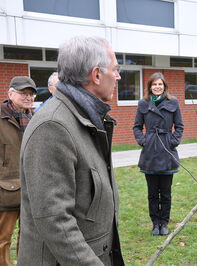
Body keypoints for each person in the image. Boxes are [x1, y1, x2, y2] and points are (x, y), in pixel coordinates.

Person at [18, 36, 125, 265]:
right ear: (96, 75)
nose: (118, 76)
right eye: (115, 69)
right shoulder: (53, 126)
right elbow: (55, 221)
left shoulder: (86, 117)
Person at [133, 72, 184, 236]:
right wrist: (143, 141)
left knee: (166, 193)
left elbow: (180, 126)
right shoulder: (143, 103)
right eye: (154, 84)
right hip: (150, 153)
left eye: (160, 84)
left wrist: (172, 141)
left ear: (164, 86)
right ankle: (155, 223)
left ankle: (164, 223)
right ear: (150, 87)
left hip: (167, 151)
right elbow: (136, 126)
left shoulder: (173, 102)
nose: (157, 87)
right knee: (153, 193)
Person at [0, 76, 36, 266]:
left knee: (29, 236)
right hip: (6, 187)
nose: (28, 97)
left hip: (32, 186)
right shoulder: (1, 116)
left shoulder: (35, 117)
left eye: (31, 94)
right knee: (3, 238)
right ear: (10, 93)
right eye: (23, 93)